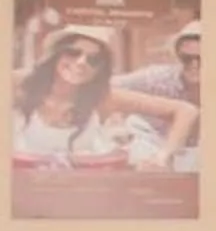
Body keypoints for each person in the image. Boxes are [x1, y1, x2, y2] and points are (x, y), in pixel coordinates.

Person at [12, 22, 198, 170]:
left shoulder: (103, 98)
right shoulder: (22, 83)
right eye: (73, 52)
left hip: (77, 194)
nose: (81, 62)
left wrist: (162, 157)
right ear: (57, 55)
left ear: (100, 69)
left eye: (93, 59)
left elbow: (186, 110)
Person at [115, 21, 202, 107]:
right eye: (187, 58)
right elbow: (111, 85)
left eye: (201, 59)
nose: (194, 64)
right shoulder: (159, 78)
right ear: (177, 54)